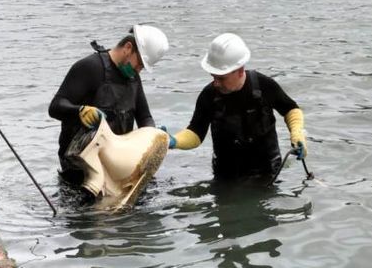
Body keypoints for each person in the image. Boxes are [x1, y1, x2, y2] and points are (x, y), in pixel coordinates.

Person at [167, 33, 307, 179]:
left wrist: (297, 134)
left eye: (221, 78)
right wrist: (174, 141)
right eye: (213, 77)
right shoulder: (208, 95)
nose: (216, 83)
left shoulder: (264, 85)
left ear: (240, 70)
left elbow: (291, 109)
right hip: (226, 175)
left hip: (268, 171)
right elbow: (195, 133)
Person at [49, 25, 169, 185]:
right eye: (139, 63)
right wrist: (80, 111)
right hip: (80, 171)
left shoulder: (133, 78)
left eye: (142, 68)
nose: (139, 70)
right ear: (128, 48)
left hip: (115, 168)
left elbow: (144, 117)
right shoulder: (89, 67)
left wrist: (153, 136)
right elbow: (55, 106)